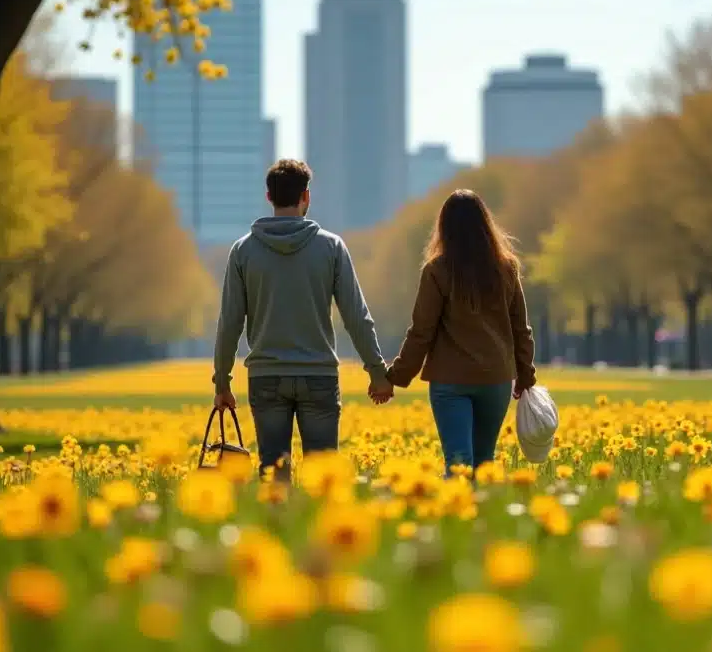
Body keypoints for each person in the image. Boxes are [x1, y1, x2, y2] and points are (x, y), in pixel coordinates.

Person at [211, 159, 394, 480]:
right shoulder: (331, 247)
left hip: (266, 377)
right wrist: (377, 372)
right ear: (305, 196)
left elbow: (229, 323)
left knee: (274, 473)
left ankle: (278, 528)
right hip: (318, 376)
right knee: (324, 478)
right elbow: (356, 316)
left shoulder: (243, 251)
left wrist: (222, 381)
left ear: (269, 197)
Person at [386, 189, 536, 473]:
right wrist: (525, 375)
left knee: (457, 463)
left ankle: (455, 514)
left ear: (444, 227)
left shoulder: (437, 270)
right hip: (496, 379)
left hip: (450, 382)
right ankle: (481, 515)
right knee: (484, 463)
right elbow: (521, 328)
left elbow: (422, 332)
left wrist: (396, 376)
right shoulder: (507, 268)